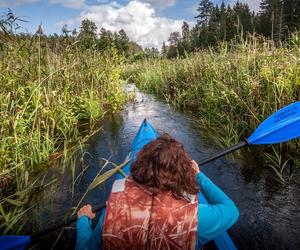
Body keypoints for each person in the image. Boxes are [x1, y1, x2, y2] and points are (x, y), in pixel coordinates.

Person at [76, 134, 239, 250]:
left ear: (139, 168)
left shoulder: (111, 215)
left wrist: (83, 221)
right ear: (183, 174)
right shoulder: (196, 218)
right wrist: (199, 176)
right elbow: (231, 210)